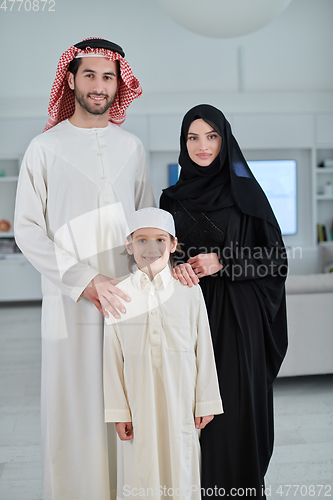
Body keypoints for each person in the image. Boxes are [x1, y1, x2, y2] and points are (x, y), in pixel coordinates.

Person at [14, 38, 155, 500]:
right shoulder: (43, 148)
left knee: (128, 408)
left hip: (127, 304)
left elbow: (147, 222)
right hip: (68, 303)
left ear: (119, 84)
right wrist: (85, 280)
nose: (99, 86)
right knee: (74, 411)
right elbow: (28, 230)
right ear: (71, 80)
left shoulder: (132, 147)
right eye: (89, 75)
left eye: (108, 77)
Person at [160, 104, 288, 499]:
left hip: (237, 321)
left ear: (225, 140)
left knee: (232, 413)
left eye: (211, 136)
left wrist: (223, 260)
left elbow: (276, 259)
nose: (202, 146)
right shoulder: (171, 199)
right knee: (194, 416)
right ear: (183, 144)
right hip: (188, 317)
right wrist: (175, 263)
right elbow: (158, 251)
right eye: (193, 137)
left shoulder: (245, 193)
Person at [103, 207, 223, 500]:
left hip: (180, 400)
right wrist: (120, 411)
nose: (151, 248)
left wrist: (205, 400)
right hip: (139, 399)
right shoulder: (120, 293)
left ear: (173, 244)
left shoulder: (189, 290)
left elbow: (203, 347)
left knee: (181, 465)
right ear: (129, 246)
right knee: (141, 469)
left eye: (159, 239)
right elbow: (111, 357)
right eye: (141, 240)